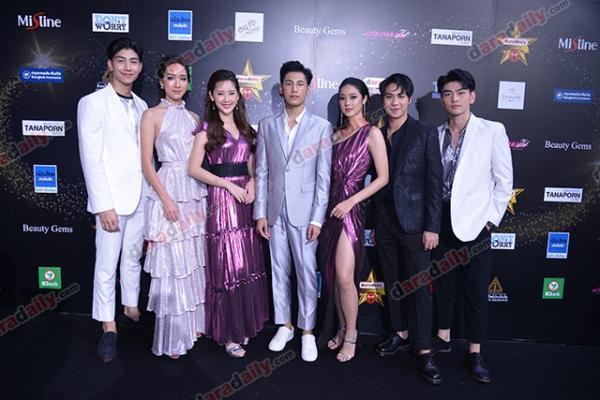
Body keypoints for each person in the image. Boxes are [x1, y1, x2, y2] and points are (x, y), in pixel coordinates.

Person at [432, 68, 513, 383]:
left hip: (477, 224)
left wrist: (490, 221)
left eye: (461, 92)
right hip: (441, 221)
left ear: (472, 96)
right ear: (442, 99)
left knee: (476, 291)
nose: (454, 98)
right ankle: (442, 339)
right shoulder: (435, 134)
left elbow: (504, 182)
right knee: (444, 287)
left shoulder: (491, 131)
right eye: (448, 93)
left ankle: (475, 353)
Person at [253, 61, 332, 362]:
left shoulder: (321, 127)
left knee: (306, 272)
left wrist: (317, 218)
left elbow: (323, 178)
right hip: (275, 212)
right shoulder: (267, 125)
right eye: (289, 83)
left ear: (309, 88)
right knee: (278, 270)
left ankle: (307, 330)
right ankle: (284, 324)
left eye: (300, 83)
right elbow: (262, 172)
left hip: (305, 213)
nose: (294, 89)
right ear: (281, 88)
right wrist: (260, 212)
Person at [188, 69, 268, 358]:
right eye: (220, 93)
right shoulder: (206, 129)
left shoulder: (246, 128)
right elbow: (194, 169)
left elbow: (252, 165)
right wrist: (228, 185)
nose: (226, 98)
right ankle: (229, 334)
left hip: (245, 201)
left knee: (245, 266)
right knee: (227, 267)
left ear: (239, 95)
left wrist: (252, 182)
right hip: (222, 202)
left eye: (231, 93)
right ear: (211, 96)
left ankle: (243, 323)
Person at [77, 37, 148, 363]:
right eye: (121, 61)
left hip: (141, 198)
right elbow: (91, 159)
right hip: (112, 202)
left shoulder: (143, 105)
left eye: (133, 61)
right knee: (107, 265)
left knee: (133, 259)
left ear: (140, 67)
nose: (127, 67)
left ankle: (131, 309)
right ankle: (108, 326)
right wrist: (103, 204)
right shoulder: (92, 103)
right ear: (110, 64)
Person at [373, 73, 443, 384]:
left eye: (400, 96)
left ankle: (424, 349)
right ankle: (399, 332)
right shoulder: (376, 133)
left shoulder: (424, 133)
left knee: (419, 287)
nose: (394, 102)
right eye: (389, 96)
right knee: (392, 281)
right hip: (385, 222)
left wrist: (432, 226)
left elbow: (434, 183)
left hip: (415, 224)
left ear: (409, 99)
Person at [317, 78, 388, 362]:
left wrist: (350, 202)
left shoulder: (372, 133)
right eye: (343, 98)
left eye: (353, 97)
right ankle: (341, 327)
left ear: (364, 99)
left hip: (351, 209)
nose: (347, 103)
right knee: (334, 276)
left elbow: (383, 178)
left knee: (346, 277)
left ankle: (352, 335)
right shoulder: (335, 136)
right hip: (330, 210)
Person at [140, 56, 207, 359]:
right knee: (172, 264)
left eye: (182, 78)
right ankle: (173, 337)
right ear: (161, 81)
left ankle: (193, 326)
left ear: (188, 83)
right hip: (167, 187)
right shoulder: (151, 115)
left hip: (194, 190)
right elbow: (146, 163)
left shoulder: (194, 117)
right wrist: (165, 198)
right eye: (171, 77)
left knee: (192, 261)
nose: (177, 83)